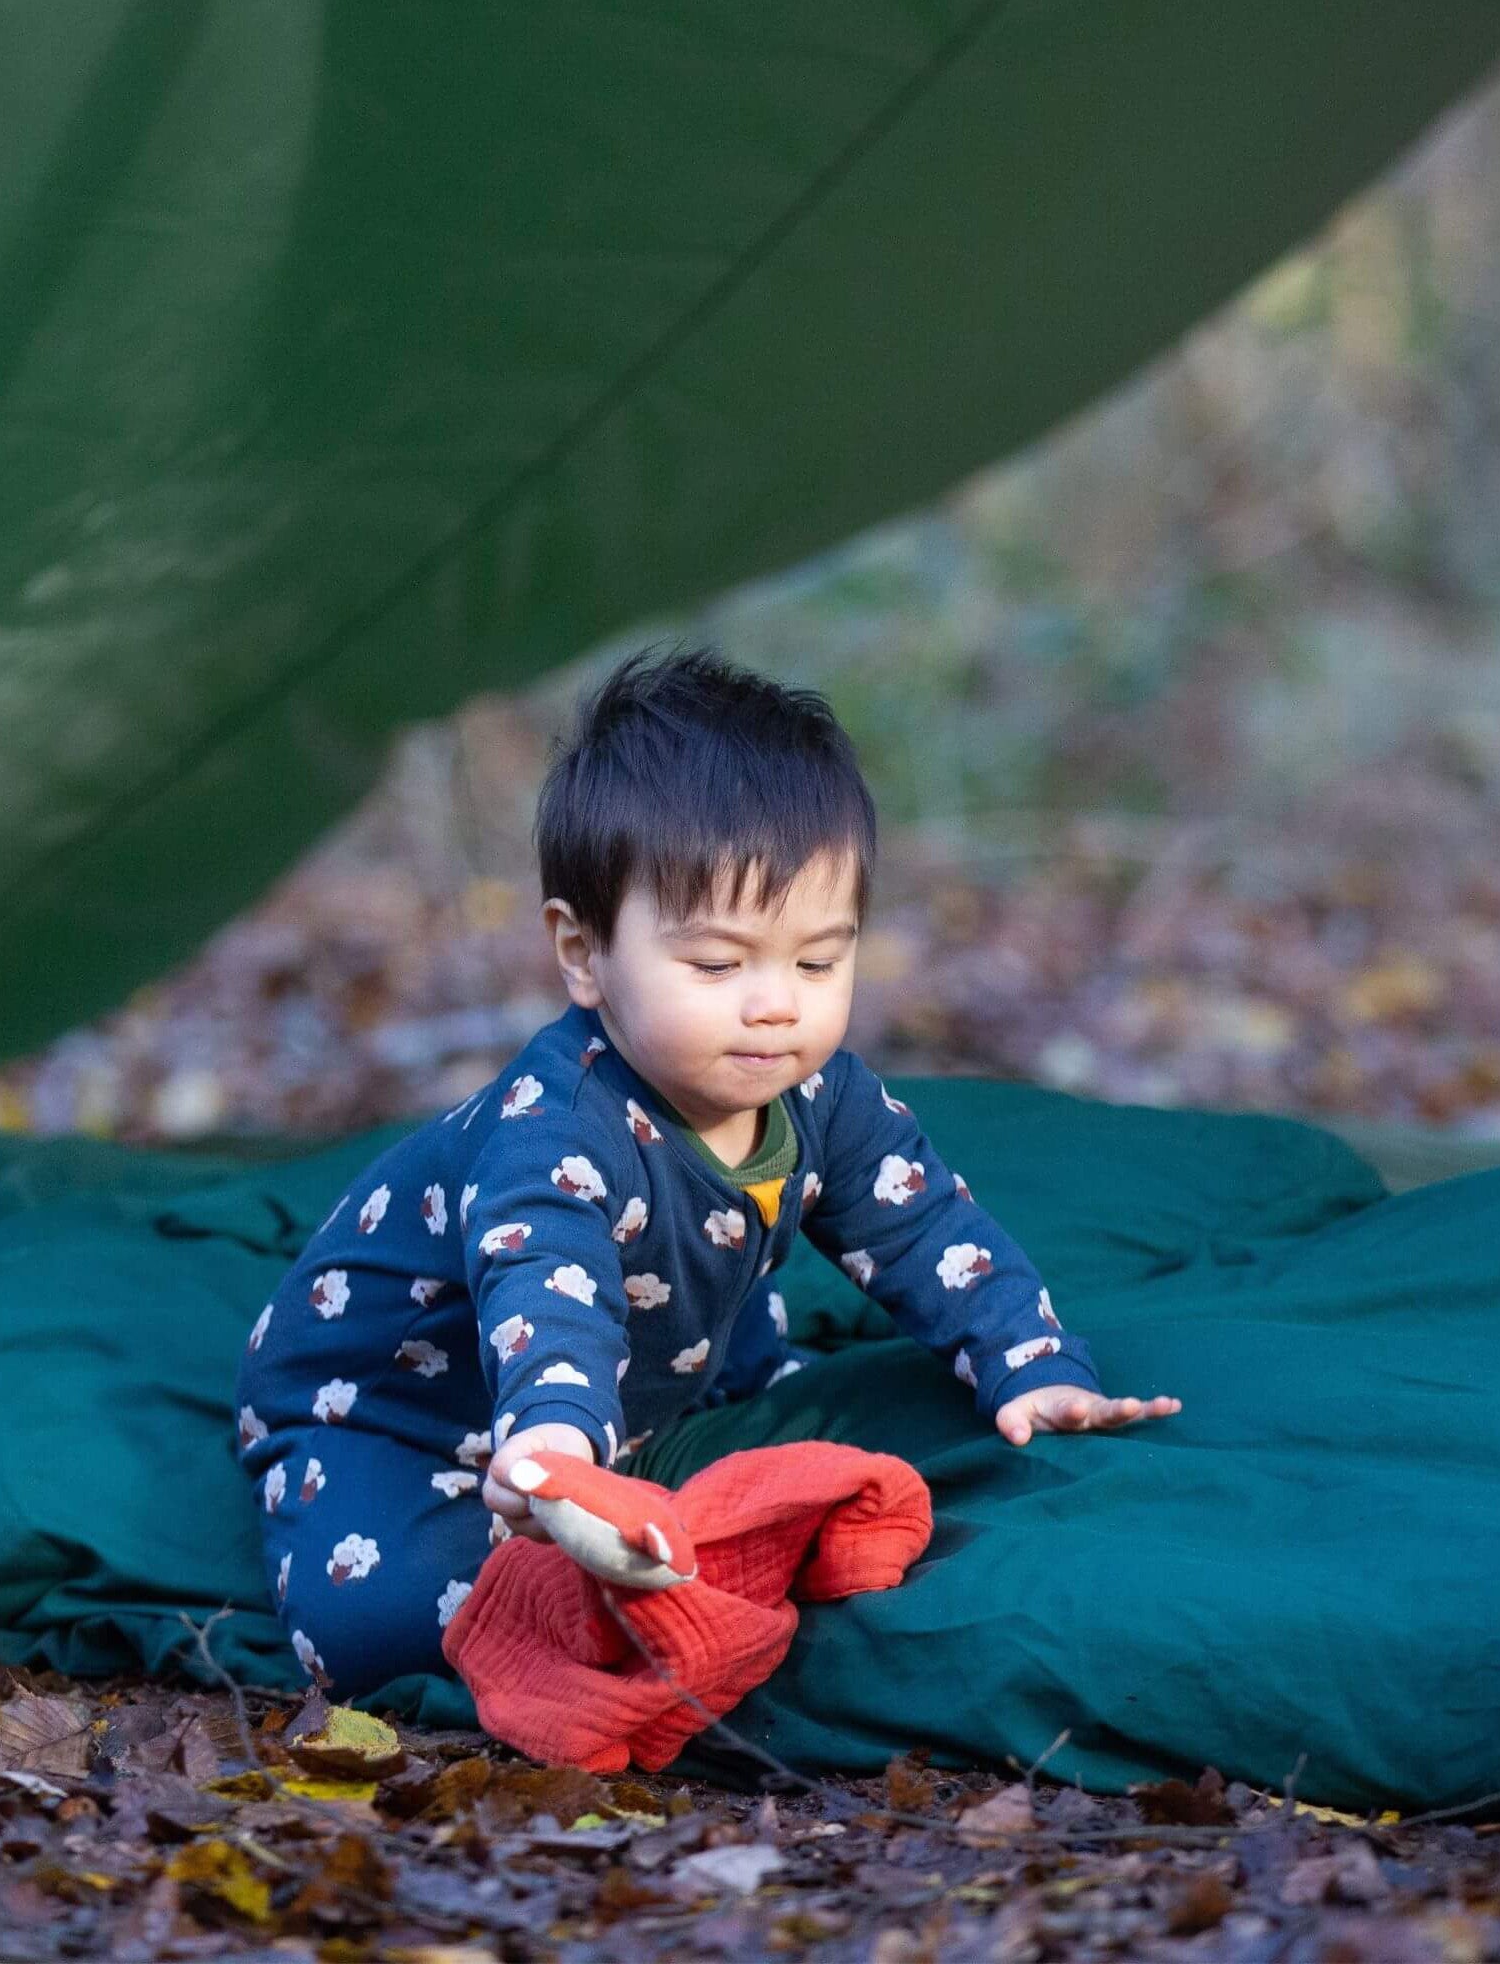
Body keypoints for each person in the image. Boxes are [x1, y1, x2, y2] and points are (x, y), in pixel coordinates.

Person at [235, 647, 1181, 1694]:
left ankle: (675, 1494)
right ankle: (587, 1545)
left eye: (817, 959)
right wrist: (555, 1451)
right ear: (583, 950)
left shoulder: (825, 1097)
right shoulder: (551, 1132)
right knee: (372, 1617)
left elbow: (929, 1232)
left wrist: (1033, 1362)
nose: (775, 1002)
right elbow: (544, 1293)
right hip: (405, 1407)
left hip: (662, 1371)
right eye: (719, 964)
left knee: (860, 1415)